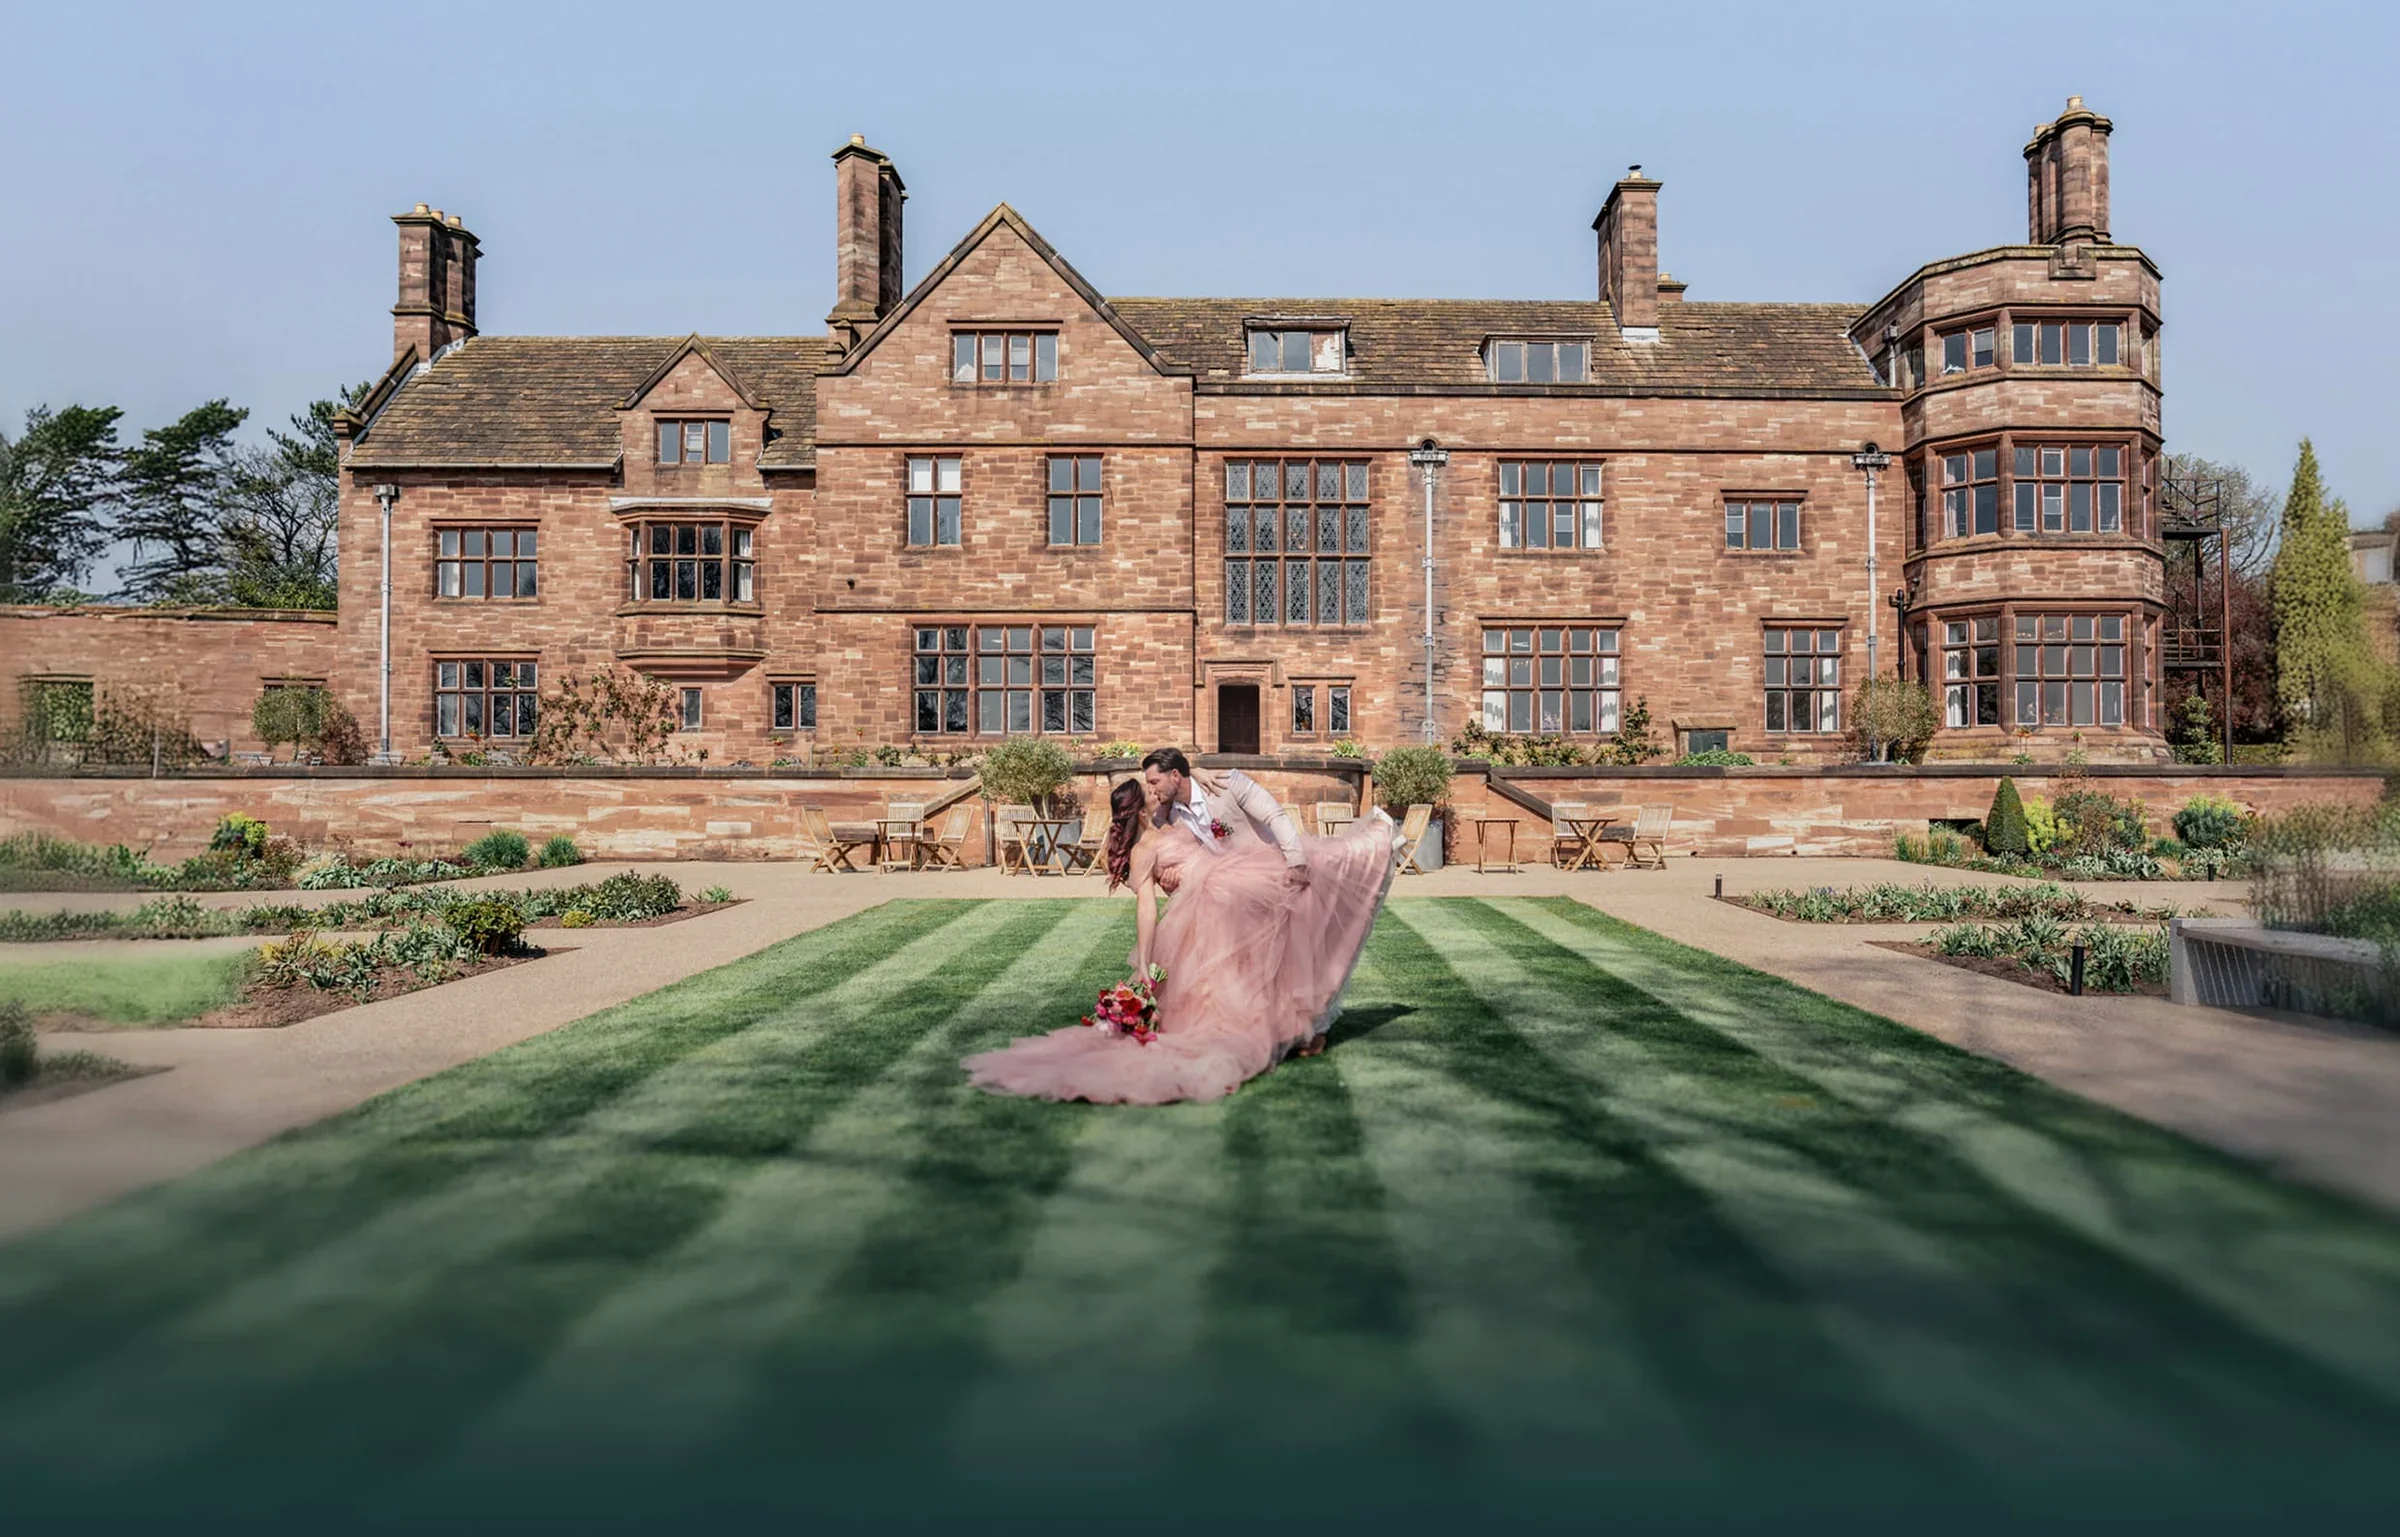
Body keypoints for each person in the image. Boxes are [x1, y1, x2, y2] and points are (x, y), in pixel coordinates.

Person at [961, 766, 1402, 1104]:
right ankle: (1291, 1031)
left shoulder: (1176, 818)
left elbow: (1177, 777)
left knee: (1300, 910)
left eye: (1158, 788)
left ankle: (1304, 1026)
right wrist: (1148, 968)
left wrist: (1200, 772)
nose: (1157, 794)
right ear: (1139, 806)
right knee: (1240, 980)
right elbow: (1147, 907)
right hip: (1207, 911)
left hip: (1235, 886)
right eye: (1150, 792)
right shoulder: (1144, 850)